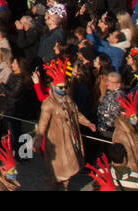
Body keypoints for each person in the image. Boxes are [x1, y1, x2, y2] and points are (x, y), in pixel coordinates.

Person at [36, 59, 95, 190]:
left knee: (69, 168)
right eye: (60, 87)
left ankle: (63, 186)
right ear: (53, 86)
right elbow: (42, 124)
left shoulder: (68, 99)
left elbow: (76, 113)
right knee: (58, 171)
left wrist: (88, 123)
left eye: (65, 87)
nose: (63, 89)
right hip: (57, 142)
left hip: (69, 139)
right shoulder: (49, 103)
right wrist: (38, 141)